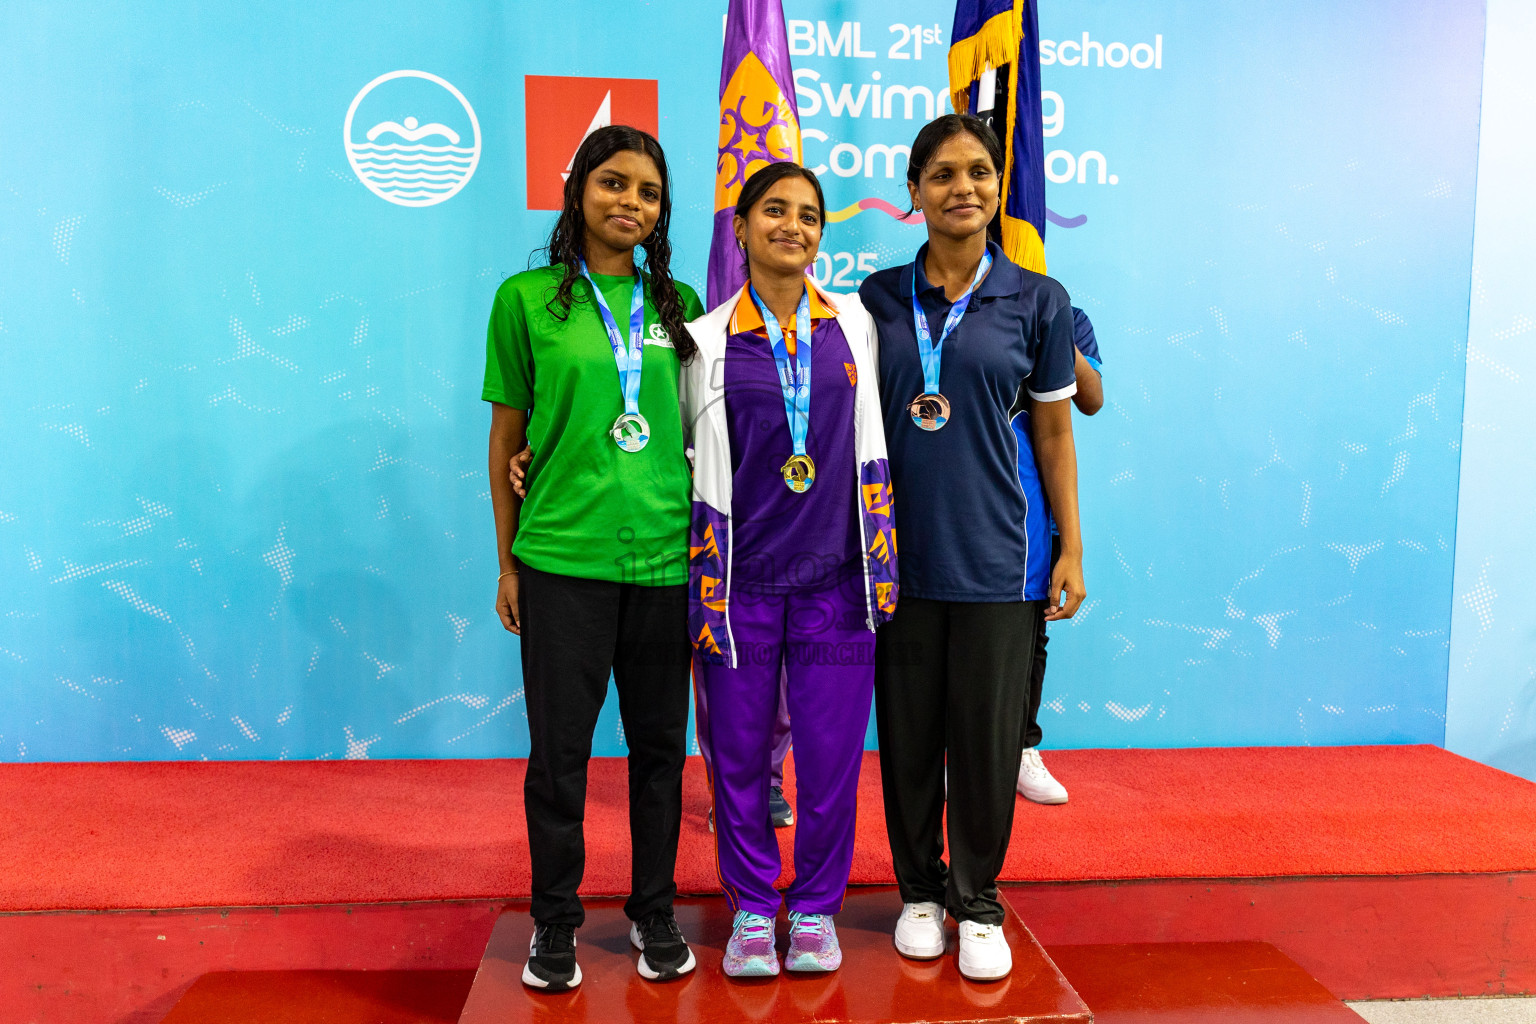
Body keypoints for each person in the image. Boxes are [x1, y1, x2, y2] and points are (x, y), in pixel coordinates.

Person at [858, 114, 1085, 983]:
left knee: (989, 746)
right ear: (913, 191)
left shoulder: (1038, 299)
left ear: (998, 186)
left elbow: (1058, 436)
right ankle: (919, 894)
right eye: (944, 173)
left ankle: (977, 901)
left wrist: (1071, 548)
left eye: (981, 172)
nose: (965, 188)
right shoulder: (875, 300)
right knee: (910, 736)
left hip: (1004, 559)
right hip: (895, 559)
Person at [482, 125, 705, 992]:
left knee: (659, 754)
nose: (630, 204)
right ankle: (555, 925)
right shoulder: (525, 298)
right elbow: (505, 437)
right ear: (577, 191)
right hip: (561, 563)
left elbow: (704, 431)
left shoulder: (680, 303)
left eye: (648, 194)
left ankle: (654, 913)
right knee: (560, 758)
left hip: (664, 563)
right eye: (614, 184)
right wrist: (506, 565)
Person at [681, 161, 897, 977]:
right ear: (739, 227)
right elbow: (673, 456)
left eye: (809, 216)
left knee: (831, 757)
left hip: (840, 585)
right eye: (774, 210)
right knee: (735, 760)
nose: (794, 227)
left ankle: (812, 910)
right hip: (736, 587)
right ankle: (747, 911)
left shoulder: (854, 326)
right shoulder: (700, 341)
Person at [1015, 307, 1104, 805]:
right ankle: (956, 754)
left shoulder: (1061, 312)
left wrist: (1054, 331)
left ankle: (1021, 748)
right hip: (968, 508)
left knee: (1032, 634)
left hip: (1037, 508)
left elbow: (1091, 399)